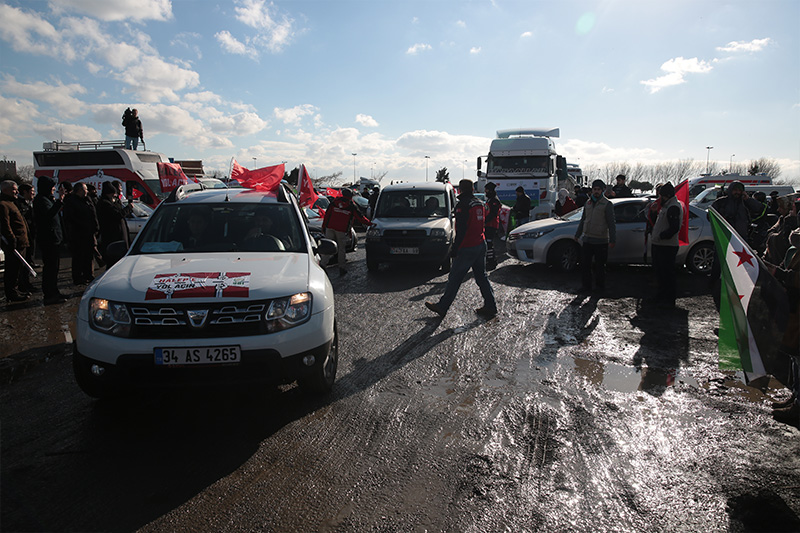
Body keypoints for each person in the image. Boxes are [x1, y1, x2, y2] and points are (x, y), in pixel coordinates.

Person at [425, 179, 497, 319]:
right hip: (480, 243)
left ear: (461, 190)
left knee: (455, 278)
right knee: (482, 277)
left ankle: (442, 306)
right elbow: (485, 219)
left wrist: (455, 248)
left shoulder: (463, 205)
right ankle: (491, 305)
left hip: (467, 246)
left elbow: (462, 229)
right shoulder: (479, 203)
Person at [574, 179, 616, 293]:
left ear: (602, 190)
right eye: (594, 189)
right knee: (585, 265)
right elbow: (583, 220)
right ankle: (586, 286)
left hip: (601, 240)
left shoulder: (607, 204)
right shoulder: (587, 203)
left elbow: (611, 223)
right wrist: (577, 234)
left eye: (598, 189)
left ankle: (599, 287)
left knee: (600, 267)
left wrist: (613, 239)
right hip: (587, 239)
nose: (596, 191)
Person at [321, 188, 372, 275]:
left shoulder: (334, 202)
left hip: (330, 228)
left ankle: (322, 266)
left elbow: (327, 215)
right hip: (342, 230)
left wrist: (324, 227)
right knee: (341, 249)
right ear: (350, 196)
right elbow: (360, 217)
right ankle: (342, 267)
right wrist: (371, 224)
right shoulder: (351, 205)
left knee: (327, 248)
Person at [649, 182, 684, 309]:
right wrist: (653, 213)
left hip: (666, 246)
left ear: (667, 196)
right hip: (660, 244)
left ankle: (668, 299)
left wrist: (661, 236)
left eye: (661, 195)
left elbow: (674, 228)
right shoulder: (666, 206)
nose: (659, 198)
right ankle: (661, 295)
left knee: (667, 273)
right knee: (660, 273)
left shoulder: (673, 207)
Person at [34, 176, 67, 304]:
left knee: (54, 268)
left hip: (54, 239)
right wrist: (60, 200)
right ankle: (49, 294)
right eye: (52, 187)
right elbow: (49, 215)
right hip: (48, 239)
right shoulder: (41, 200)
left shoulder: (47, 199)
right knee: (50, 269)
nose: (54, 189)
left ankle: (54, 291)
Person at [0, 180, 31, 302]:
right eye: (14, 189)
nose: (17, 191)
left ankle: (16, 289)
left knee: (18, 269)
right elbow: (5, 225)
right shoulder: (3, 204)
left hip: (21, 242)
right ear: (5, 190)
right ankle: (11, 293)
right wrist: (12, 240)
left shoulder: (11, 203)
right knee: (12, 269)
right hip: (14, 243)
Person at [62, 182, 98, 285]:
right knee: (78, 257)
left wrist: (95, 227)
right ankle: (78, 277)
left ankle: (88, 275)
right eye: (85, 189)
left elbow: (93, 213)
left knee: (89, 256)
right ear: (79, 190)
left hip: (89, 233)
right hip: (78, 234)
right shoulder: (71, 202)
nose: (86, 191)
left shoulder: (87, 200)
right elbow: (70, 219)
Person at [95, 181, 132, 263]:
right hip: (112, 236)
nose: (114, 196)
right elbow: (118, 214)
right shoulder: (105, 204)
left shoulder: (114, 202)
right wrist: (128, 208)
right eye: (113, 194)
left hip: (118, 234)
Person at [15, 182, 37, 293]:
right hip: (24, 237)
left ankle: (27, 283)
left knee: (29, 259)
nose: (33, 194)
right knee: (23, 263)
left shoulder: (29, 203)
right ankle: (22, 285)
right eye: (31, 192)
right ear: (25, 192)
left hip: (31, 236)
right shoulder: (19, 204)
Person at [483, 182, 502, 270]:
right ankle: (490, 260)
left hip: (492, 224)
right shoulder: (490, 200)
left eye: (486, 190)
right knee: (488, 243)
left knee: (489, 243)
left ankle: (491, 261)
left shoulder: (494, 201)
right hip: (488, 224)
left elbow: (493, 214)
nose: (485, 192)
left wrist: (485, 221)